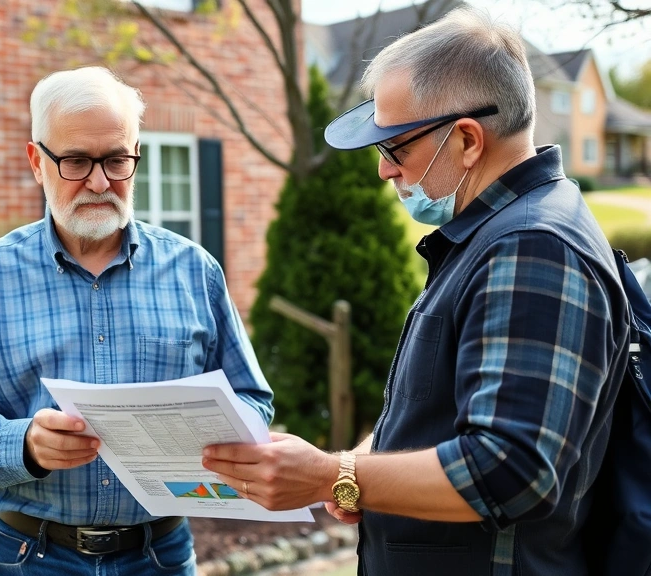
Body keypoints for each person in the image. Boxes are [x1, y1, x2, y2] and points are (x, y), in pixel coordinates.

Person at [201, 7, 630, 575]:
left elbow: (511, 469)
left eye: (395, 147)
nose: (383, 171)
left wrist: (336, 476)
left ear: (468, 140)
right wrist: (359, 464)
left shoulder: (533, 248)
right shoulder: (495, 234)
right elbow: (441, 402)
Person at [0, 66, 274, 576]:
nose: (99, 181)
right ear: (36, 162)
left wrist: (217, 435)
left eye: (115, 160)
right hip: (31, 557)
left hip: (161, 555)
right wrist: (24, 445)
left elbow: (253, 401)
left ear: (136, 158)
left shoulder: (195, 270)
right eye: (76, 161)